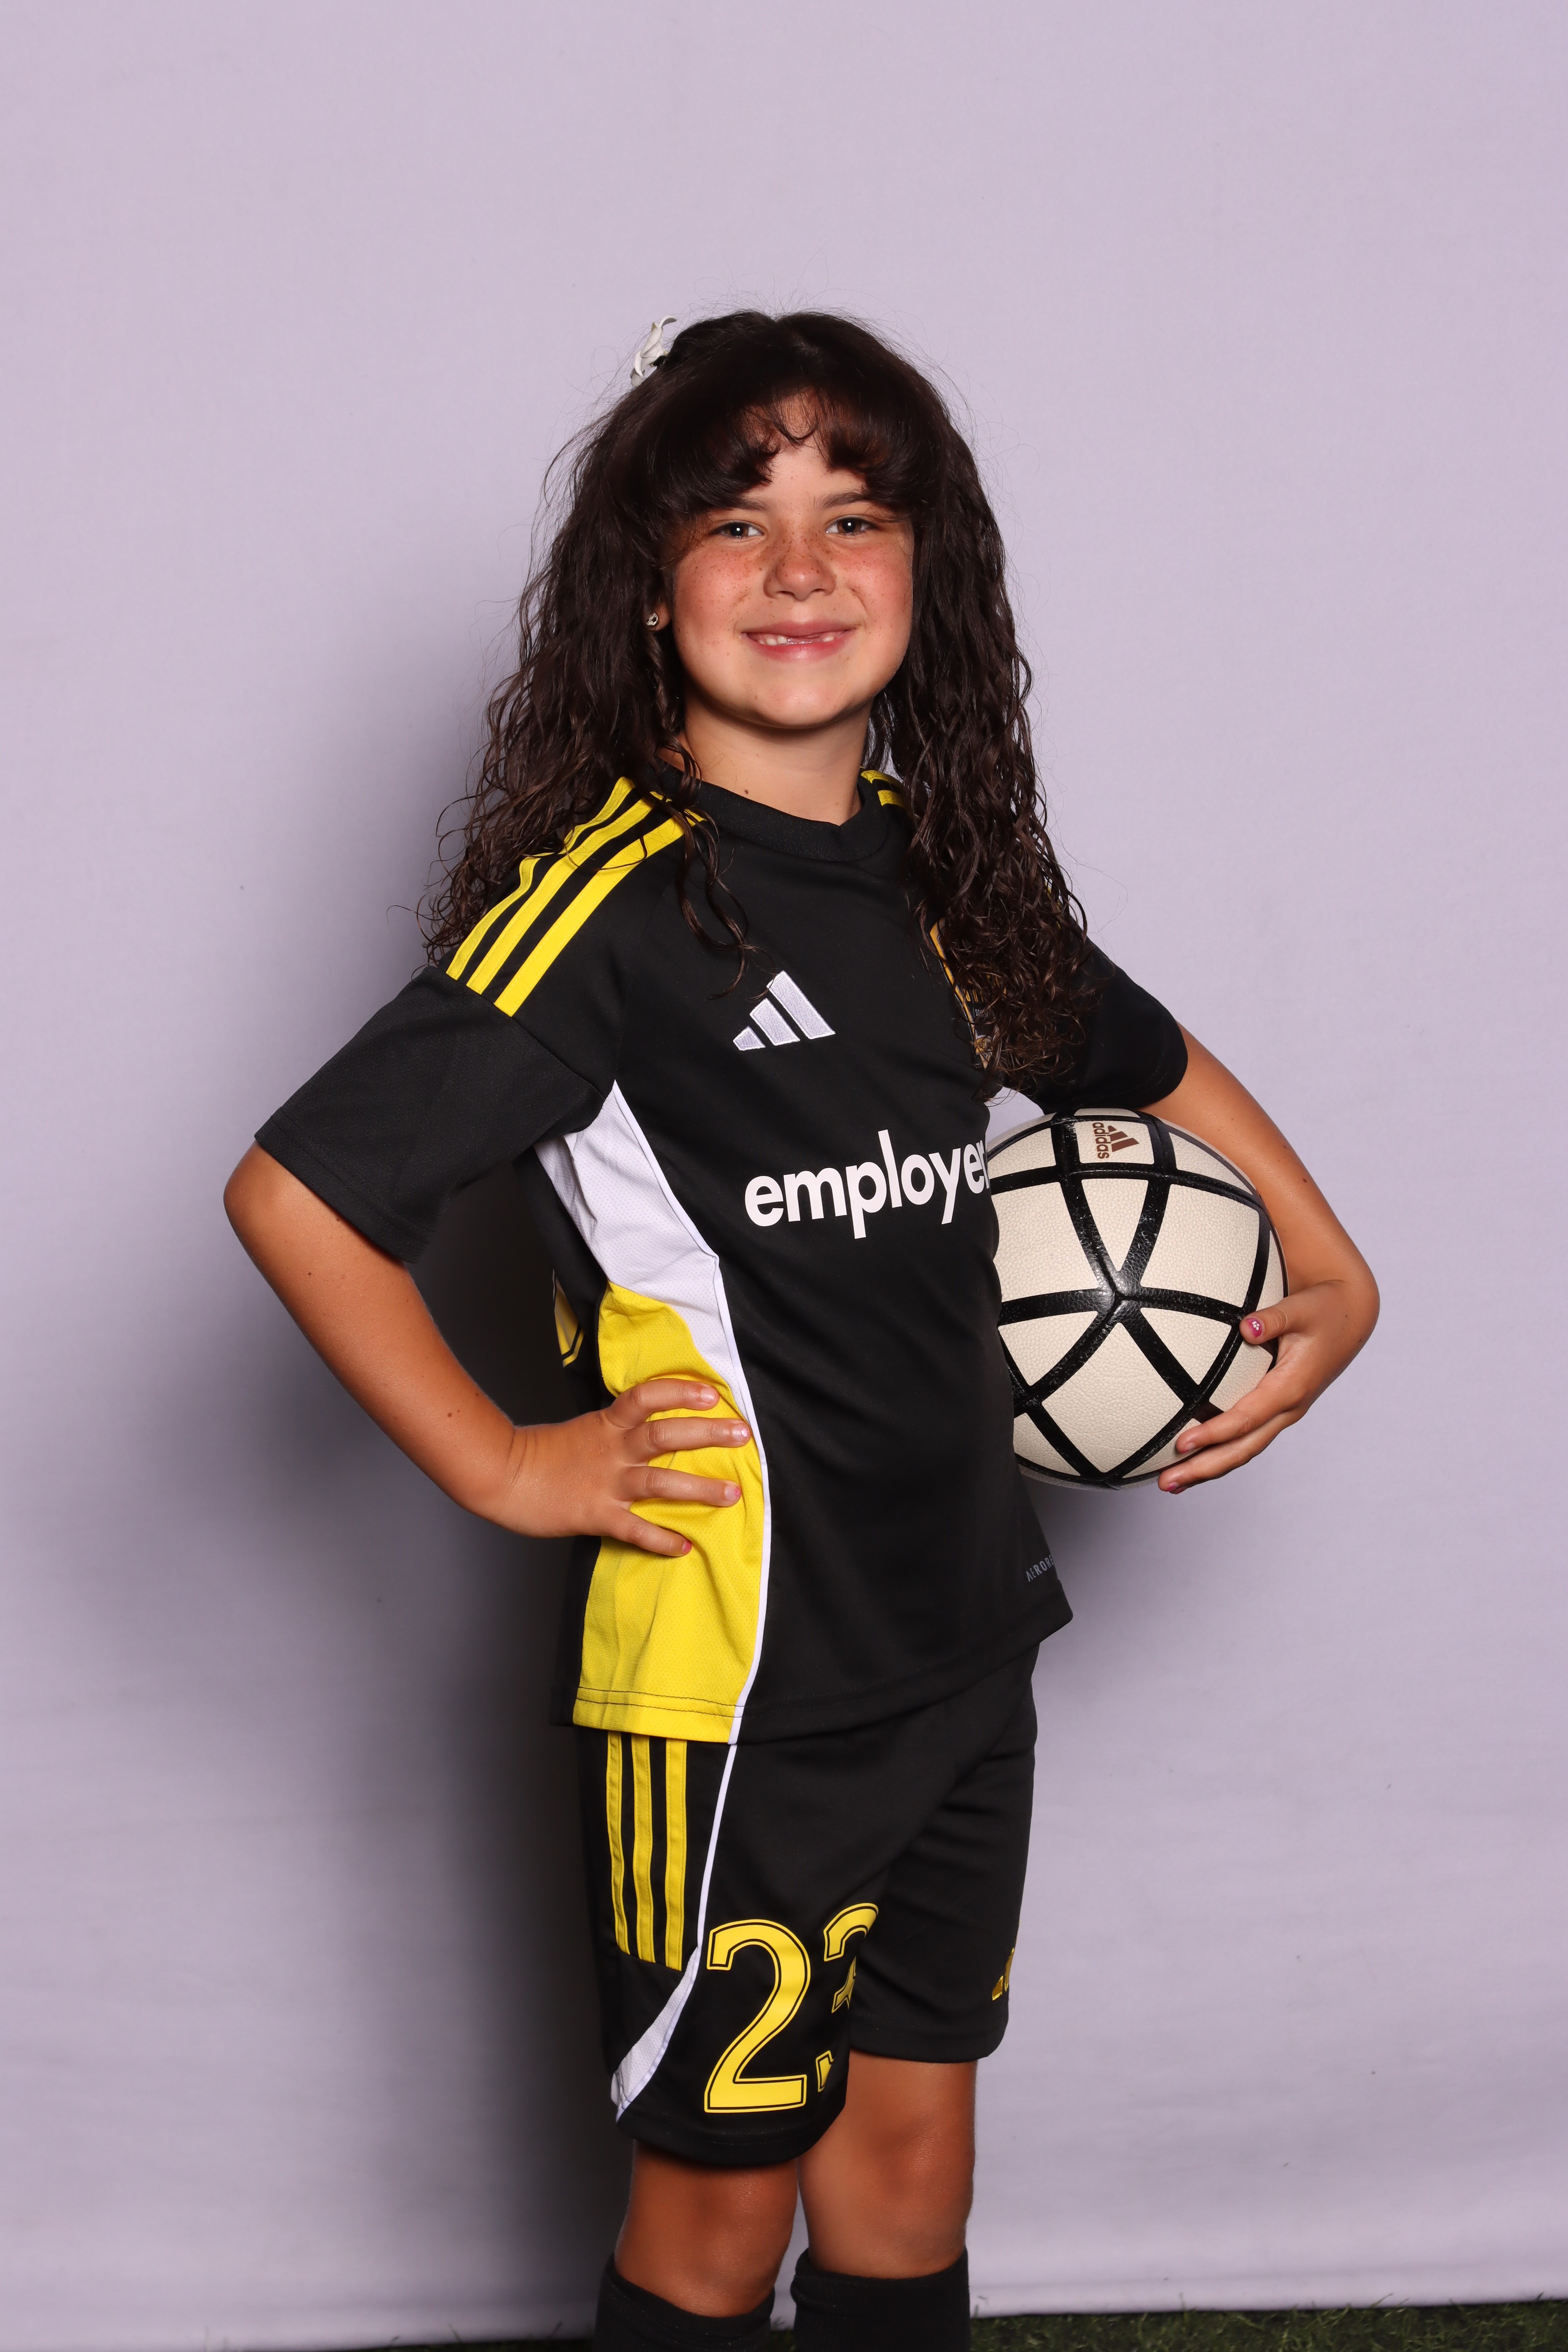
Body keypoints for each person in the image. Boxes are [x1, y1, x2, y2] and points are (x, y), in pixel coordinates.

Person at [224, 312, 1377, 2352]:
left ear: (930, 575)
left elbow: (1136, 1058)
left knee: (911, 2172)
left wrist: (1330, 1262)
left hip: (963, 1639)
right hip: (740, 1683)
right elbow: (298, 1196)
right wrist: (510, 1464)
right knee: (717, 2221)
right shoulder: (604, 912)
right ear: (642, 587)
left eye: (854, 518)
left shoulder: (940, 878)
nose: (797, 568)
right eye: (732, 521)